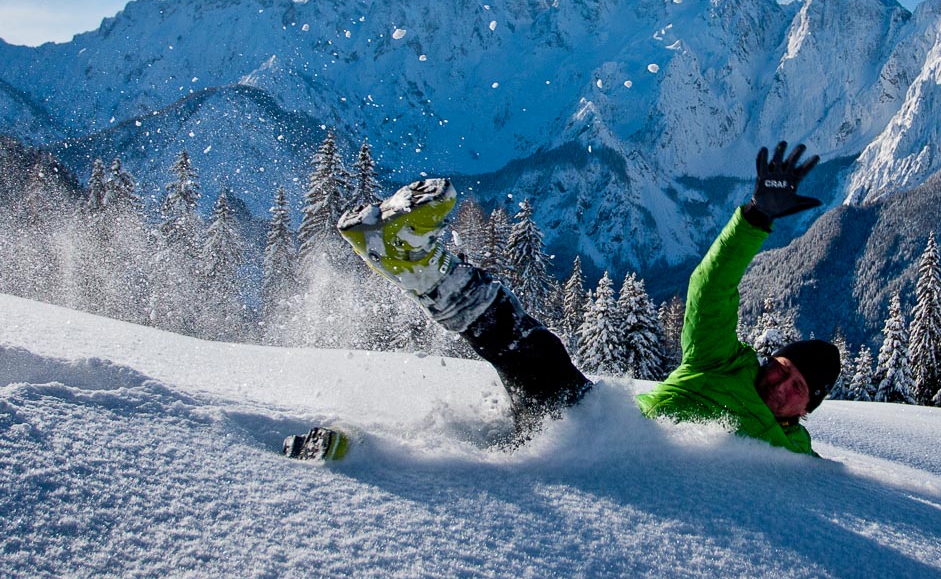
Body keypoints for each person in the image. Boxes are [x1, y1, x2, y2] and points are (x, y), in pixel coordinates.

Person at [332, 141, 840, 455]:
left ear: (809, 406)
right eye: (782, 368)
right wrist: (755, 217)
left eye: (797, 386)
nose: (780, 384)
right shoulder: (721, 362)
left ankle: (380, 453)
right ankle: (415, 261)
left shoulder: (795, 454)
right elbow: (711, 288)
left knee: (513, 421)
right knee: (538, 355)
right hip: (600, 438)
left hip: (633, 489)